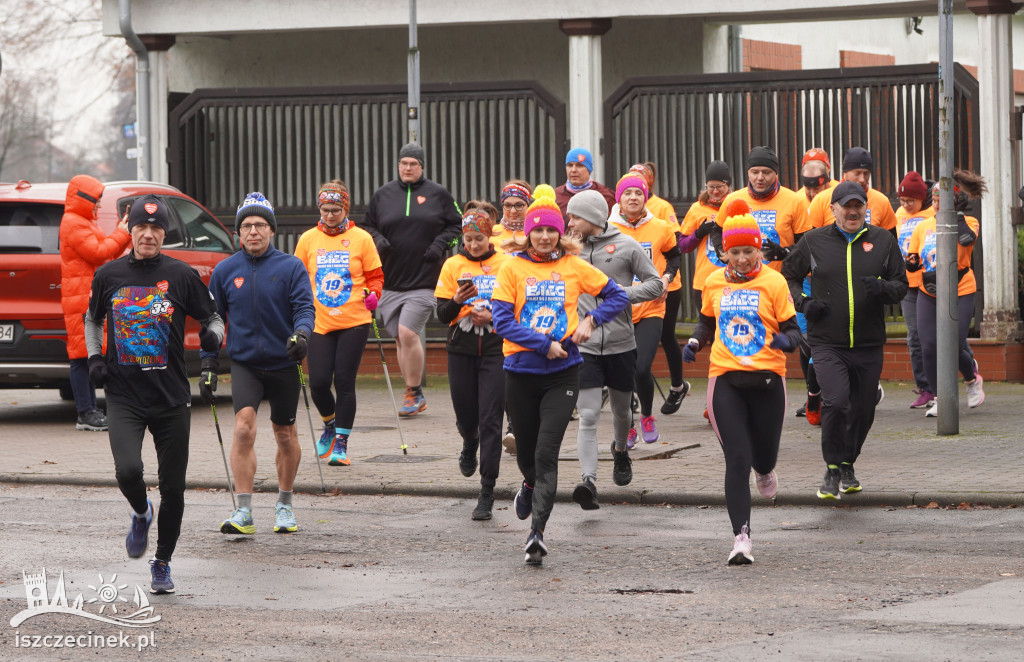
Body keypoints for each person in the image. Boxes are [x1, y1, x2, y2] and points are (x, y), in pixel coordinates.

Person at [84, 194, 224, 594]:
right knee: (128, 471)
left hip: (171, 398)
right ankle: (141, 512)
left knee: (174, 489)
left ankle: (162, 562)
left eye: (156, 229)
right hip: (124, 395)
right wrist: (95, 358)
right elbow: (92, 319)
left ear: (165, 234)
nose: (148, 234)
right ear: (131, 231)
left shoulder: (180, 275)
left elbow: (212, 315)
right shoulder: (108, 275)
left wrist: (214, 335)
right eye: (141, 228)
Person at [491, 193, 629, 564]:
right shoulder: (512, 268)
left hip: (563, 374)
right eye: (539, 231)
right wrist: (543, 344)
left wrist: (590, 320)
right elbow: (502, 322)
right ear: (528, 234)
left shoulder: (574, 265)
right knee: (529, 456)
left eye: (551, 230)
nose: (545, 237)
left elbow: (616, 296)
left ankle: (537, 534)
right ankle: (529, 483)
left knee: (547, 452)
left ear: (560, 233)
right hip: (520, 372)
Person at [683, 199, 800, 564]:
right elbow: (705, 322)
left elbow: (795, 331)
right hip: (725, 378)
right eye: (735, 253)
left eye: (749, 251)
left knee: (762, 457)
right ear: (724, 253)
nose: (743, 259)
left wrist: (786, 341)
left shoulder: (774, 282)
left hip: (767, 379)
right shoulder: (714, 282)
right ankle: (741, 539)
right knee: (737, 457)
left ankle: (765, 470)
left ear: (758, 249)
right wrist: (694, 341)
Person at [781, 181, 908, 500]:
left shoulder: (883, 241)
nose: (852, 211)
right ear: (832, 209)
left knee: (864, 408)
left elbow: (901, 284)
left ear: (867, 208)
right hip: (827, 342)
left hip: (868, 343)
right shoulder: (813, 241)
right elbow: (789, 274)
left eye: (858, 205)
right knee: (836, 402)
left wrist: (883, 289)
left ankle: (848, 462)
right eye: (846, 205)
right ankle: (832, 468)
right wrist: (803, 302)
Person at [202, 192, 315, 536]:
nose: (253, 231)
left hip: (284, 361)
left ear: (271, 230)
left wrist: (302, 336)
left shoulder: (291, 266)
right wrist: (208, 365)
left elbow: (304, 309)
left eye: (260, 225)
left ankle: (284, 505)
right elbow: (213, 320)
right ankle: (244, 511)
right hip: (245, 362)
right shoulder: (224, 271)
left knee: (284, 433)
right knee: (243, 427)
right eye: (247, 226)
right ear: (238, 232)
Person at [565, 189, 662, 510]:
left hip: (622, 343)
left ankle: (621, 451)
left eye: (575, 216)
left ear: (592, 217)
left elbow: (656, 283)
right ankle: (588, 482)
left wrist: (620, 292)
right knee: (589, 414)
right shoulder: (568, 249)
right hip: (586, 347)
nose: (570, 221)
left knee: (622, 412)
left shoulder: (626, 245)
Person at [360, 143, 462, 417]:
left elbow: (458, 226)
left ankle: (414, 392)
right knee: (399, 339)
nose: (408, 168)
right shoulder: (383, 194)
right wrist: (378, 239)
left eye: (413, 164)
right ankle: (412, 392)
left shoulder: (438, 194)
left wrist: (441, 244)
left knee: (408, 333)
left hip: (425, 279)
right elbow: (366, 226)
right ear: (398, 166)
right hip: (390, 280)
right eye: (404, 163)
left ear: (422, 167)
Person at [294, 180, 383, 466]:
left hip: (354, 320)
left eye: (335, 209)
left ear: (345, 208)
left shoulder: (362, 238)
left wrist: (374, 295)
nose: (330, 215)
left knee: (344, 381)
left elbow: (375, 277)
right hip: (319, 321)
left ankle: (342, 443)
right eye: (325, 209)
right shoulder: (308, 239)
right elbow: (296, 279)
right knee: (318, 382)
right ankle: (329, 425)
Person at [435, 201, 510, 520]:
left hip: (497, 348)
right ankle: (469, 440)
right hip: (461, 348)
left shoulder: (506, 262)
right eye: (468, 240)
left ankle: (487, 490)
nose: (474, 245)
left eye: (479, 239)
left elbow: (518, 306)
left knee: (491, 418)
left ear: (489, 236)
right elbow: (441, 315)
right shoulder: (453, 266)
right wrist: (456, 301)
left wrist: (493, 313)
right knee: (467, 415)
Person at [905, 171, 987, 418]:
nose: (936, 203)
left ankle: (972, 379)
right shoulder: (922, 227)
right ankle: (941, 397)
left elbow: (965, 240)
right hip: (928, 291)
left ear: (955, 200)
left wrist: (957, 216)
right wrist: (910, 263)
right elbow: (914, 258)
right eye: (935, 198)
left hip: (960, 288)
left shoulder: (969, 222)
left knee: (952, 342)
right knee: (928, 345)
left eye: (943, 199)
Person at [608, 173, 681, 447]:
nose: (633, 198)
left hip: (651, 307)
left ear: (645, 197)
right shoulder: (607, 228)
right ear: (620, 199)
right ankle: (626, 425)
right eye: (627, 193)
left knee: (641, 368)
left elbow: (674, 255)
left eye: (638, 193)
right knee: (624, 370)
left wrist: (666, 279)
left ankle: (647, 416)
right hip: (619, 309)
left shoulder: (660, 227)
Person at [59, 175, 131, 431]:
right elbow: (98, 253)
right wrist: (122, 233)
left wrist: (125, 235)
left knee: (88, 354)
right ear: (85, 199)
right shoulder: (74, 223)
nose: (99, 206)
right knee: (81, 356)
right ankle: (85, 412)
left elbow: (106, 252)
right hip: (80, 299)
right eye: (97, 201)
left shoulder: (82, 222)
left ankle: (90, 411)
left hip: (86, 295)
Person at [629, 162, 689, 414]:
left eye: (640, 182)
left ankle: (677, 386)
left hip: (666, 285)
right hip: (632, 289)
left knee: (666, 335)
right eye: (629, 182)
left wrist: (664, 277)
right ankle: (631, 391)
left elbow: (674, 243)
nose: (633, 193)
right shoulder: (618, 211)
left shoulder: (662, 207)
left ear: (649, 183)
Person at [678, 160, 733, 420]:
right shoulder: (697, 208)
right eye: (710, 187)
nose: (714, 192)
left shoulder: (737, 206)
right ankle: (714, 402)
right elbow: (682, 246)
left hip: (733, 283)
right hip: (704, 284)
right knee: (712, 342)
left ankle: (727, 399)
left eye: (719, 187)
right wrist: (699, 232)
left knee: (729, 340)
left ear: (728, 186)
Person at [715, 146, 810, 271]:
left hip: (782, 280)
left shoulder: (795, 201)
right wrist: (723, 252)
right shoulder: (732, 199)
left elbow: (807, 243)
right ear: (748, 173)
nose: (760, 177)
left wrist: (784, 252)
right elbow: (716, 230)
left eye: (766, 172)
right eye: (755, 172)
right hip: (743, 280)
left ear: (776, 173)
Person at [793, 148, 836, 423]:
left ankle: (823, 395)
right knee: (805, 341)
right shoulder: (795, 200)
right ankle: (813, 392)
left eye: (817, 183)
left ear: (827, 176)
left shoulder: (837, 197)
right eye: (807, 183)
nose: (811, 190)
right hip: (803, 280)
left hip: (831, 279)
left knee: (825, 340)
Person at [895, 171, 937, 409]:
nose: (905, 205)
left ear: (922, 198)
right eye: (902, 201)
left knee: (937, 334)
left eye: (910, 200)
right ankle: (926, 388)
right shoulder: (899, 214)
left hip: (929, 281)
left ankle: (966, 363)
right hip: (907, 283)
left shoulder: (933, 213)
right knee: (915, 336)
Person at [807, 147, 897, 234]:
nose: (862, 179)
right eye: (857, 173)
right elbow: (810, 240)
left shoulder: (882, 201)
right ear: (845, 172)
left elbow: (890, 242)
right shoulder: (821, 200)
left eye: (866, 173)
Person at [553, 147, 615, 217]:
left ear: (589, 169)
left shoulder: (606, 196)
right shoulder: (554, 197)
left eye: (579, 165)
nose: (573, 170)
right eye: (570, 165)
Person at [492, 180, 532, 252]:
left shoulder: (536, 233)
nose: (513, 211)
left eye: (519, 205)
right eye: (508, 205)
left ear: (528, 206)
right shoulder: (492, 233)